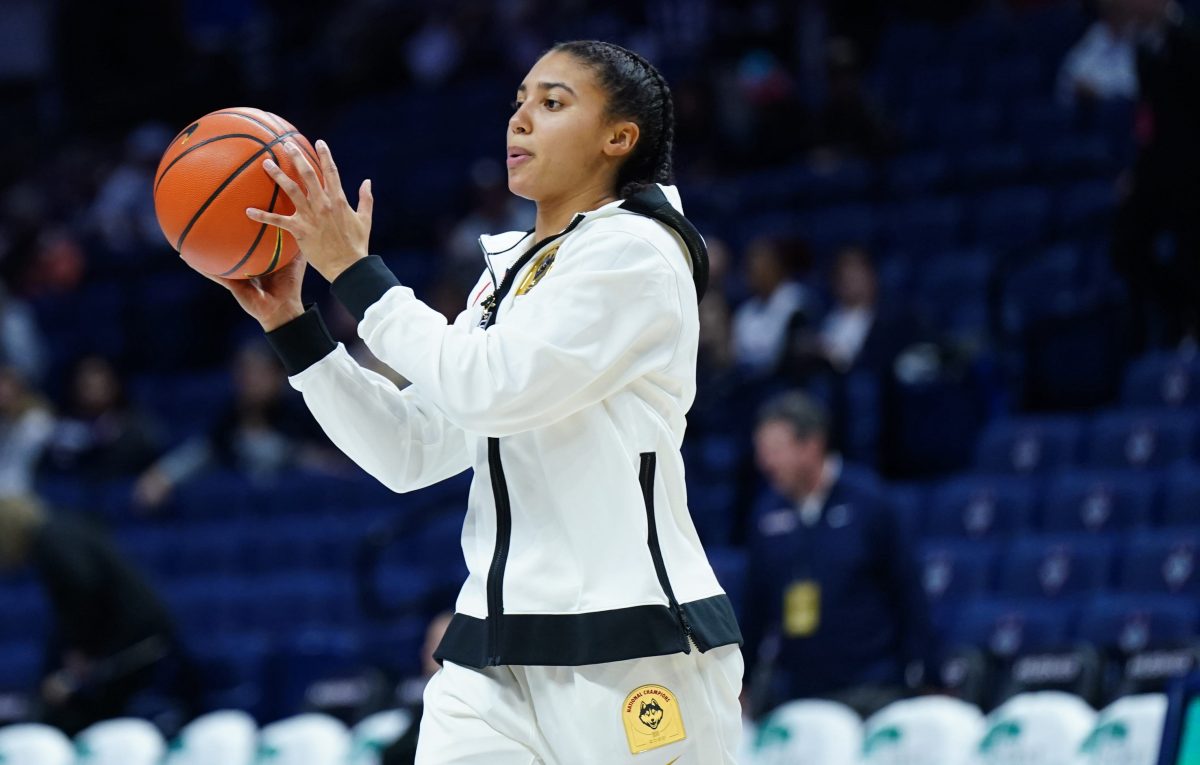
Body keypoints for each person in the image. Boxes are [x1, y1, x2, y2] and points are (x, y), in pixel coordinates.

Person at [194, 40, 743, 763]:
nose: (520, 118)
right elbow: (410, 449)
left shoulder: (639, 252)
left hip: (633, 643)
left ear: (619, 138)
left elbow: (490, 385)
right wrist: (295, 329)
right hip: (493, 653)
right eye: (518, 101)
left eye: (552, 102)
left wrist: (355, 273)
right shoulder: (505, 276)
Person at [743, 391, 932, 719]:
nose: (765, 463)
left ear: (812, 445)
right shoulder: (765, 514)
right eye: (761, 451)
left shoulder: (871, 501)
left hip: (872, 689)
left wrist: (929, 672)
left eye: (775, 450)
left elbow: (908, 592)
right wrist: (742, 679)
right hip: (799, 695)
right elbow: (754, 607)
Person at [0, 494, 191, 736]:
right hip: (136, 632)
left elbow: (82, 587)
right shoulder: (61, 529)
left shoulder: (52, 543)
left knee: (85, 715)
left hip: (135, 639)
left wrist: (80, 651)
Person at [132, 340, 342, 509]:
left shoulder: (303, 412)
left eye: (259, 372)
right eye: (244, 373)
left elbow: (331, 462)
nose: (250, 381)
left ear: (278, 375)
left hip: (296, 507)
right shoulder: (230, 416)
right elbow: (204, 451)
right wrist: (163, 475)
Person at [1110, 0, 1200, 351]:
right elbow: (1151, 123)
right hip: (1159, 172)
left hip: (1193, 177)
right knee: (1126, 246)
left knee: (1190, 253)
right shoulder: (1143, 48)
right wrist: (1136, 173)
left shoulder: (1191, 39)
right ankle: (1177, 314)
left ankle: (1189, 326)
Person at [1056, 0, 1138, 107]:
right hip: (1088, 108)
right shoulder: (1096, 34)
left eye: (1123, 12)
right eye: (1115, 11)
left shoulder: (1132, 39)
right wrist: (1090, 89)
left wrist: (1101, 90)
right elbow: (1072, 76)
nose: (1119, 17)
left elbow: (1132, 86)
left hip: (1120, 108)